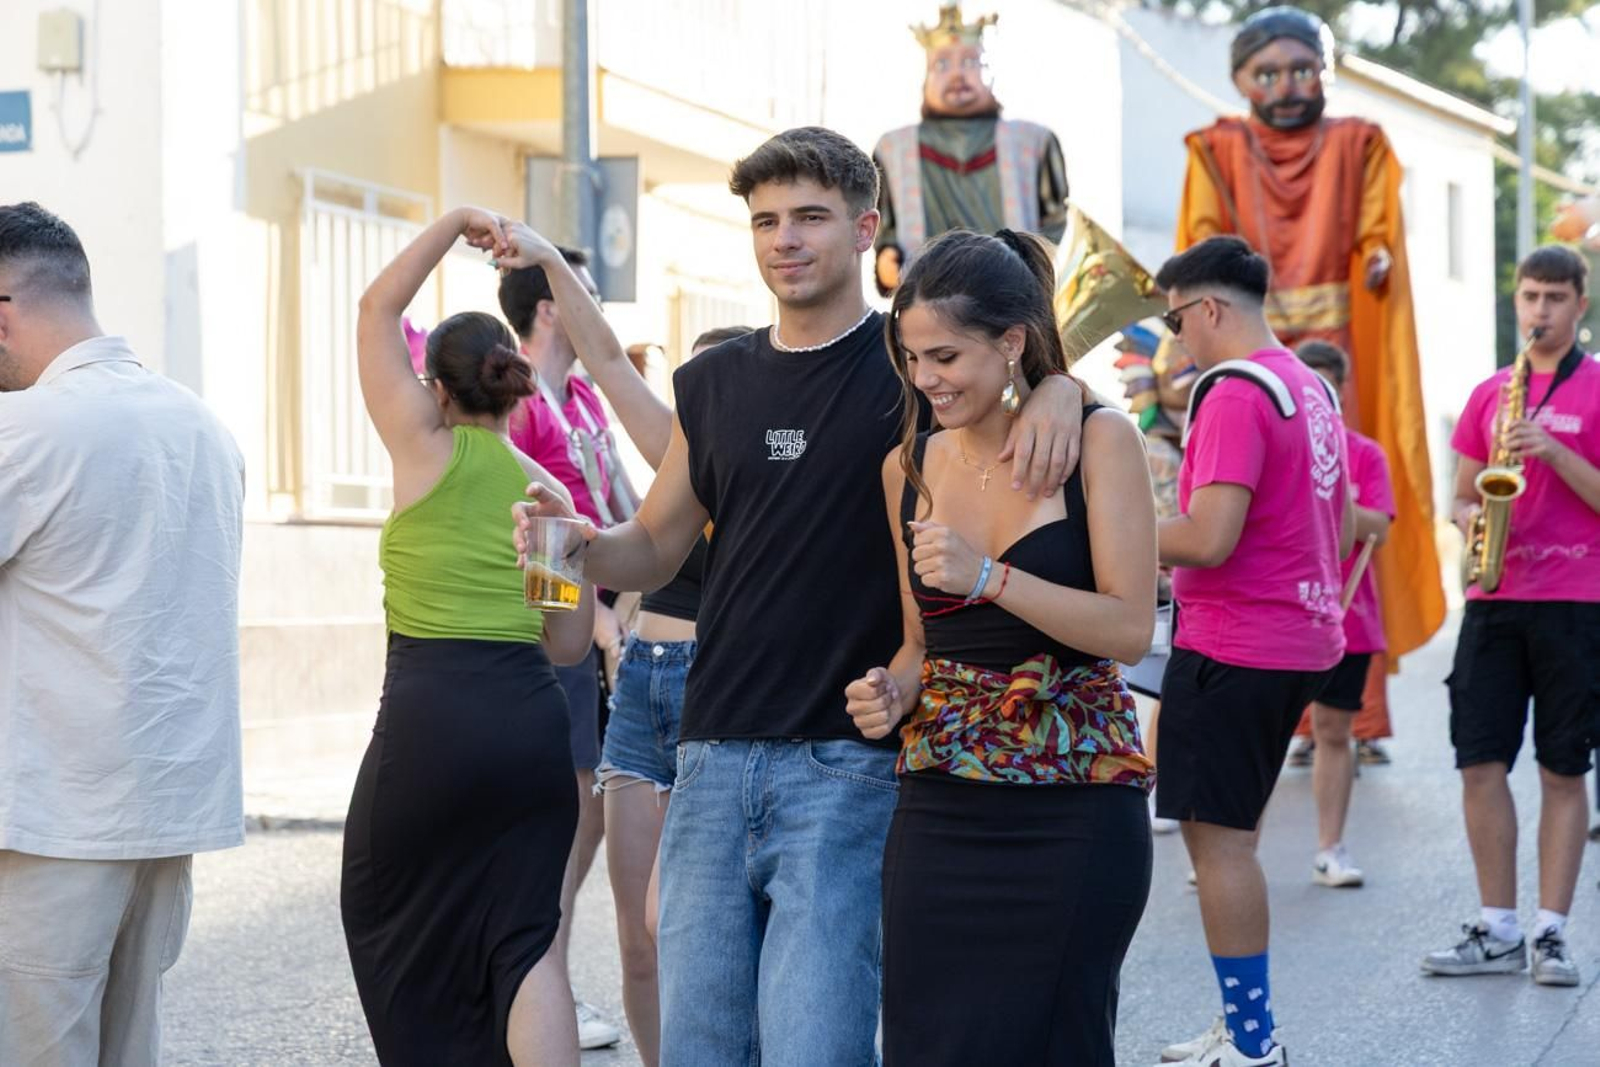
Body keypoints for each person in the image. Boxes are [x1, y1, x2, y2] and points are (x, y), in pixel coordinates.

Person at [511, 125, 1086, 1065]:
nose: (786, 238)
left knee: (814, 1048)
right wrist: (578, 543)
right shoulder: (712, 380)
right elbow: (654, 545)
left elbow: (1018, 376)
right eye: (766, 220)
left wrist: (1058, 390)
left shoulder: (913, 372)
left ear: (866, 229)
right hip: (708, 754)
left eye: (811, 217)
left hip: (846, 765)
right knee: (701, 1048)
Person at [844, 228, 1156, 1065]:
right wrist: (891, 688)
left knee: (1058, 1042)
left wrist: (992, 578)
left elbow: (1129, 629)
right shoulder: (906, 467)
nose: (925, 380)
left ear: (1011, 341)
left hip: (1076, 799)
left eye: (945, 356)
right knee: (928, 1042)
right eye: (912, 359)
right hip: (942, 801)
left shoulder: (1100, 441)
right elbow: (921, 642)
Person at [341, 206, 596, 1066]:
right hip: (528, 726)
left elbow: (378, 308)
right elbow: (567, 645)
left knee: (393, 921)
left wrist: (454, 223)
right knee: (528, 943)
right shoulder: (542, 488)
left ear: (437, 389)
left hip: (430, 722)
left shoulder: (420, 446)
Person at [0, 202, 245, 1067]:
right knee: (127, 1047)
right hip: (164, 813)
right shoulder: (204, 428)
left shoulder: (26, 430)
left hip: (54, 823)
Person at [1176, 5, 1443, 681]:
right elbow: (1205, 239)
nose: (1288, 85)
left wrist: (1379, 254)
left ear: (1324, 72)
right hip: (1249, 344)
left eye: (1302, 69)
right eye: (1268, 72)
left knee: (1338, 503)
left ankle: (1354, 701)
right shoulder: (1216, 148)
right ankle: (1271, 682)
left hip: (1336, 350)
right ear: (1241, 80)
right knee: (1250, 506)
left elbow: (1379, 226)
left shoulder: (1360, 141)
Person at [1151, 236, 1353, 1067]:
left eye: (1173, 321)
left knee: (1220, 845)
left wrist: (1104, 530)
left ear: (1209, 309)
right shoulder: (1306, 386)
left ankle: (1251, 1038)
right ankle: (1242, 1026)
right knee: (1232, 839)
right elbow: (1333, 525)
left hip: (1235, 643)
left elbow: (1207, 536)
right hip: (1300, 634)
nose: (1174, 342)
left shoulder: (1231, 389)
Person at [548, 310, 751, 1067]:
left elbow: (606, 361)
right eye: (687, 386)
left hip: (720, 690)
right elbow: (604, 360)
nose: (693, 402)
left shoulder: (756, 466)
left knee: (685, 925)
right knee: (637, 937)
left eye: (709, 384)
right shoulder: (677, 463)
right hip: (644, 684)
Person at [1421, 245, 1599, 988]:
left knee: (1563, 768)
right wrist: (1472, 520)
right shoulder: (1492, 391)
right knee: (1480, 761)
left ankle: (1551, 932)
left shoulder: (1595, 388)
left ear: (1580, 304)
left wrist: (1555, 452)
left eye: (1555, 297)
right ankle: (1496, 925)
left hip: (1577, 603)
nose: (1540, 311)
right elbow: (1461, 493)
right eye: (1529, 296)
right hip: (1496, 597)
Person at [498, 250, 635, 1050]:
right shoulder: (511, 391)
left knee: (584, 819)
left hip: (604, 621)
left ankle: (547, 981)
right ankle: (539, 985)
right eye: (585, 292)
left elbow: (623, 503)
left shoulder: (582, 394)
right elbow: (524, 523)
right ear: (551, 308)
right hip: (563, 633)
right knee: (569, 817)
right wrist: (591, 629)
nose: (602, 308)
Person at [871, 2, 1067, 295]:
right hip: (927, 301)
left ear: (991, 69)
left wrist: (1034, 269)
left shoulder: (1035, 143)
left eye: (970, 62)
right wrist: (886, 258)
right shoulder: (892, 149)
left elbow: (1057, 225)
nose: (956, 75)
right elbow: (883, 230)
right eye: (942, 64)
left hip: (1011, 301)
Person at [1294, 339, 1394, 889]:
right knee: (1261, 731)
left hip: (1347, 615)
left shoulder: (1364, 453)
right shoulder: (1273, 440)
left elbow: (1378, 528)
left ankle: (1331, 848)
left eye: (1326, 385)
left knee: (1335, 731)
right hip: (1283, 611)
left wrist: (1329, 487)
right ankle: (1237, 849)